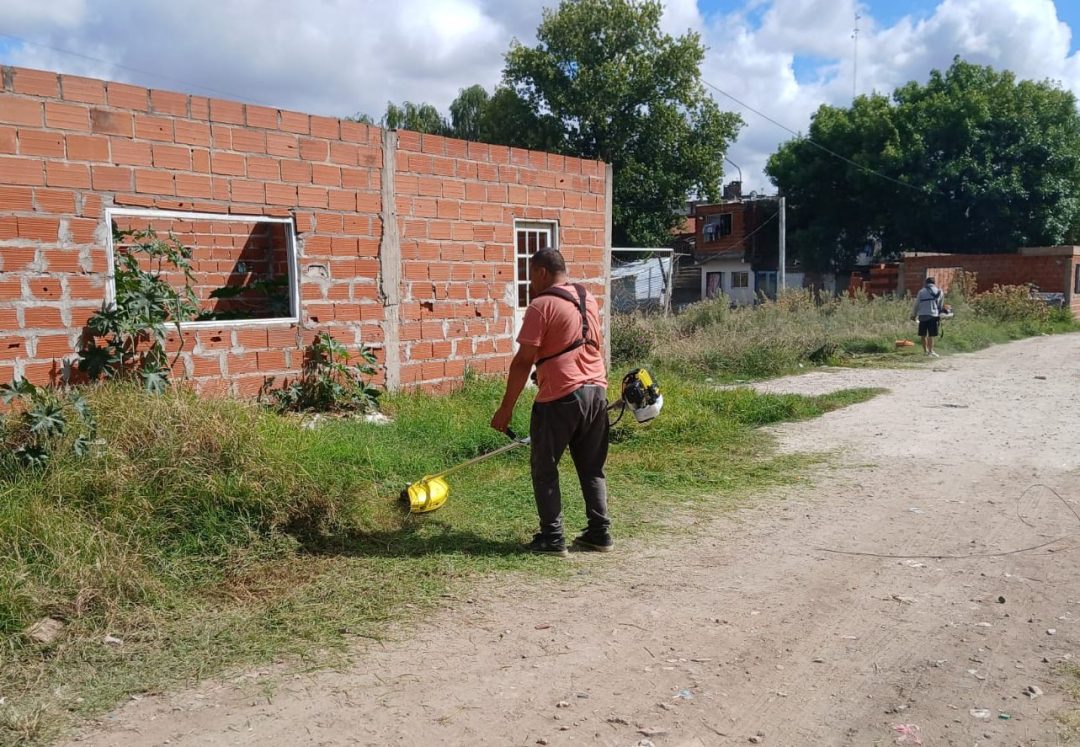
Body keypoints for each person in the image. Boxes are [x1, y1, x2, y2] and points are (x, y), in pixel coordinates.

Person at [490, 248, 611, 557]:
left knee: (544, 467)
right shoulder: (588, 298)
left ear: (542, 272)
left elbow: (522, 362)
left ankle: (552, 538)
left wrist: (506, 409)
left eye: (531, 275)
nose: (531, 283)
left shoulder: (541, 305)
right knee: (592, 467)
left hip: (561, 396)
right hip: (596, 390)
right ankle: (599, 533)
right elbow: (582, 345)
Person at [911, 276, 945, 357]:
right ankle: (931, 351)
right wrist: (940, 314)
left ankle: (925, 351)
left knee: (923, 334)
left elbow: (916, 304)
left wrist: (913, 315)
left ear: (926, 283)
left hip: (922, 315)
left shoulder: (921, 291)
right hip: (933, 315)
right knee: (931, 334)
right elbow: (940, 305)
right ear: (934, 283)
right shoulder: (939, 291)